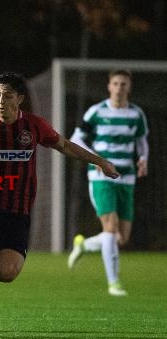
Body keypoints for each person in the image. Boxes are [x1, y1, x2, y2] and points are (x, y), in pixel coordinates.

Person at [0, 72, 119, 338]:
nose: (1, 101)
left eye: (7, 96)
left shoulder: (33, 126)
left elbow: (64, 145)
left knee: (6, 272)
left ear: (19, 98)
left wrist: (100, 161)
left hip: (17, 210)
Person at [67, 69, 149, 297]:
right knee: (111, 230)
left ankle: (83, 246)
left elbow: (142, 141)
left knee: (121, 238)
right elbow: (75, 139)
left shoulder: (136, 114)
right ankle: (114, 283)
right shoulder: (97, 111)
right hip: (101, 177)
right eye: (116, 83)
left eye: (124, 84)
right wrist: (96, 159)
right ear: (109, 86)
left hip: (127, 178)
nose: (120, 87)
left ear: (129, 87)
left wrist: (143, 159)